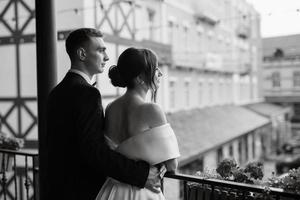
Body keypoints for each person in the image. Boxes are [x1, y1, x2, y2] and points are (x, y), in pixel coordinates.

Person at [45, 28, 164, 200]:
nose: (107, 57)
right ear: (82, 54)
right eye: (100, 50)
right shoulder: (87, 93)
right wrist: (141, 175)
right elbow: (94, 151)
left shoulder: (56, 92)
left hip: (57, 189)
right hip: (81, 191)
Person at [95, 47, 180, 200]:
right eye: (155, 69)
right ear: (140, 78)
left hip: (113, 191)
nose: (159, 73)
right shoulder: (152, 110)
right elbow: (172, 165)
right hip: (143, 192)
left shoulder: (111, 108)